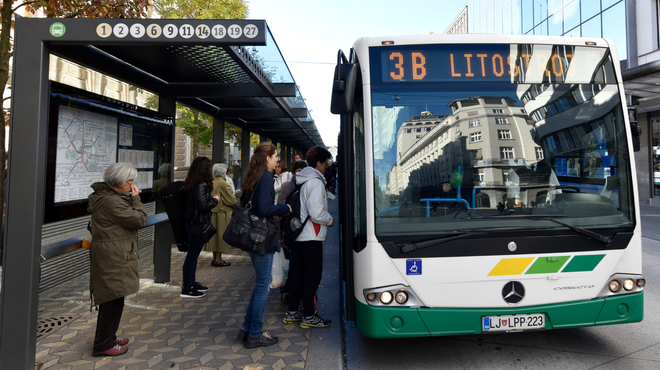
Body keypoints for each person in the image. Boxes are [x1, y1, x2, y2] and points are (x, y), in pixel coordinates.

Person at [88, 163, 148, 357]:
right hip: (113, 256)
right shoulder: (112, 202)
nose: (132, 186)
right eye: (130, 182)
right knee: (112, 300)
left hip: (113, 253)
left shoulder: (108, 198)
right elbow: (140, 219)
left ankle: (109, 337)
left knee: (115, 298)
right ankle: (103, 344)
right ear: (119, 182)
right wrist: (136, 199)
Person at [237, 142, 292, 349]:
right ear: (267, 158)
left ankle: (246, 329)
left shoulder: (252, 175)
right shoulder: (267, 177)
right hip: (263, 238)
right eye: (275, 156)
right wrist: (284, 208)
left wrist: (271, 209)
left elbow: (255, 207)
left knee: (261, 284)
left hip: (251, 237)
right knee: (263, 286)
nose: (277, 160)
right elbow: (264, 207)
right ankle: (254, 334)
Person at [283, 146, 334, 329]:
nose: (327, 166)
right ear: (318, 163)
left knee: (298, 273)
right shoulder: (316, 182)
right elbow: (316, 212)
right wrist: (330, 220)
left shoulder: (302, 180)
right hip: (312, 234)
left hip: (299, 235)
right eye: (325, 162)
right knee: (313, 275)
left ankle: (292, 311)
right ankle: (309, 315)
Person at [182, 157, 220, 298]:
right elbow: (202, 206)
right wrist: (215, 200)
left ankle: (191, 283)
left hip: (192, 223)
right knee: (192, 257)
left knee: (193, 255)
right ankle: (187, 288)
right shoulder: (201, 184)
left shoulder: (192, 183)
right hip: (197, 225)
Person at [276, 160, 308, 304]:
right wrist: (279, 235)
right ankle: (285, 292)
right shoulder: (288, 187)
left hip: (304, 232)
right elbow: (278, 213)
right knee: (290, 263)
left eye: (303, 171)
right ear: (293, 173)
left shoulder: (307, 186)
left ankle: (295, 291)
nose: (300, 174)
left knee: (298, 264)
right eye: (298, 171)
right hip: (289, 232)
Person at [205, 163, 236, 267]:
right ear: (224, 172)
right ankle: (218, 259)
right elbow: (231, 200)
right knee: (221, 237)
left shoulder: (212, 182)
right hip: (222, 214)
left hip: (213, 213)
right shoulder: (224, 183)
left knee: (214, 238)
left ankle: (215, 258)